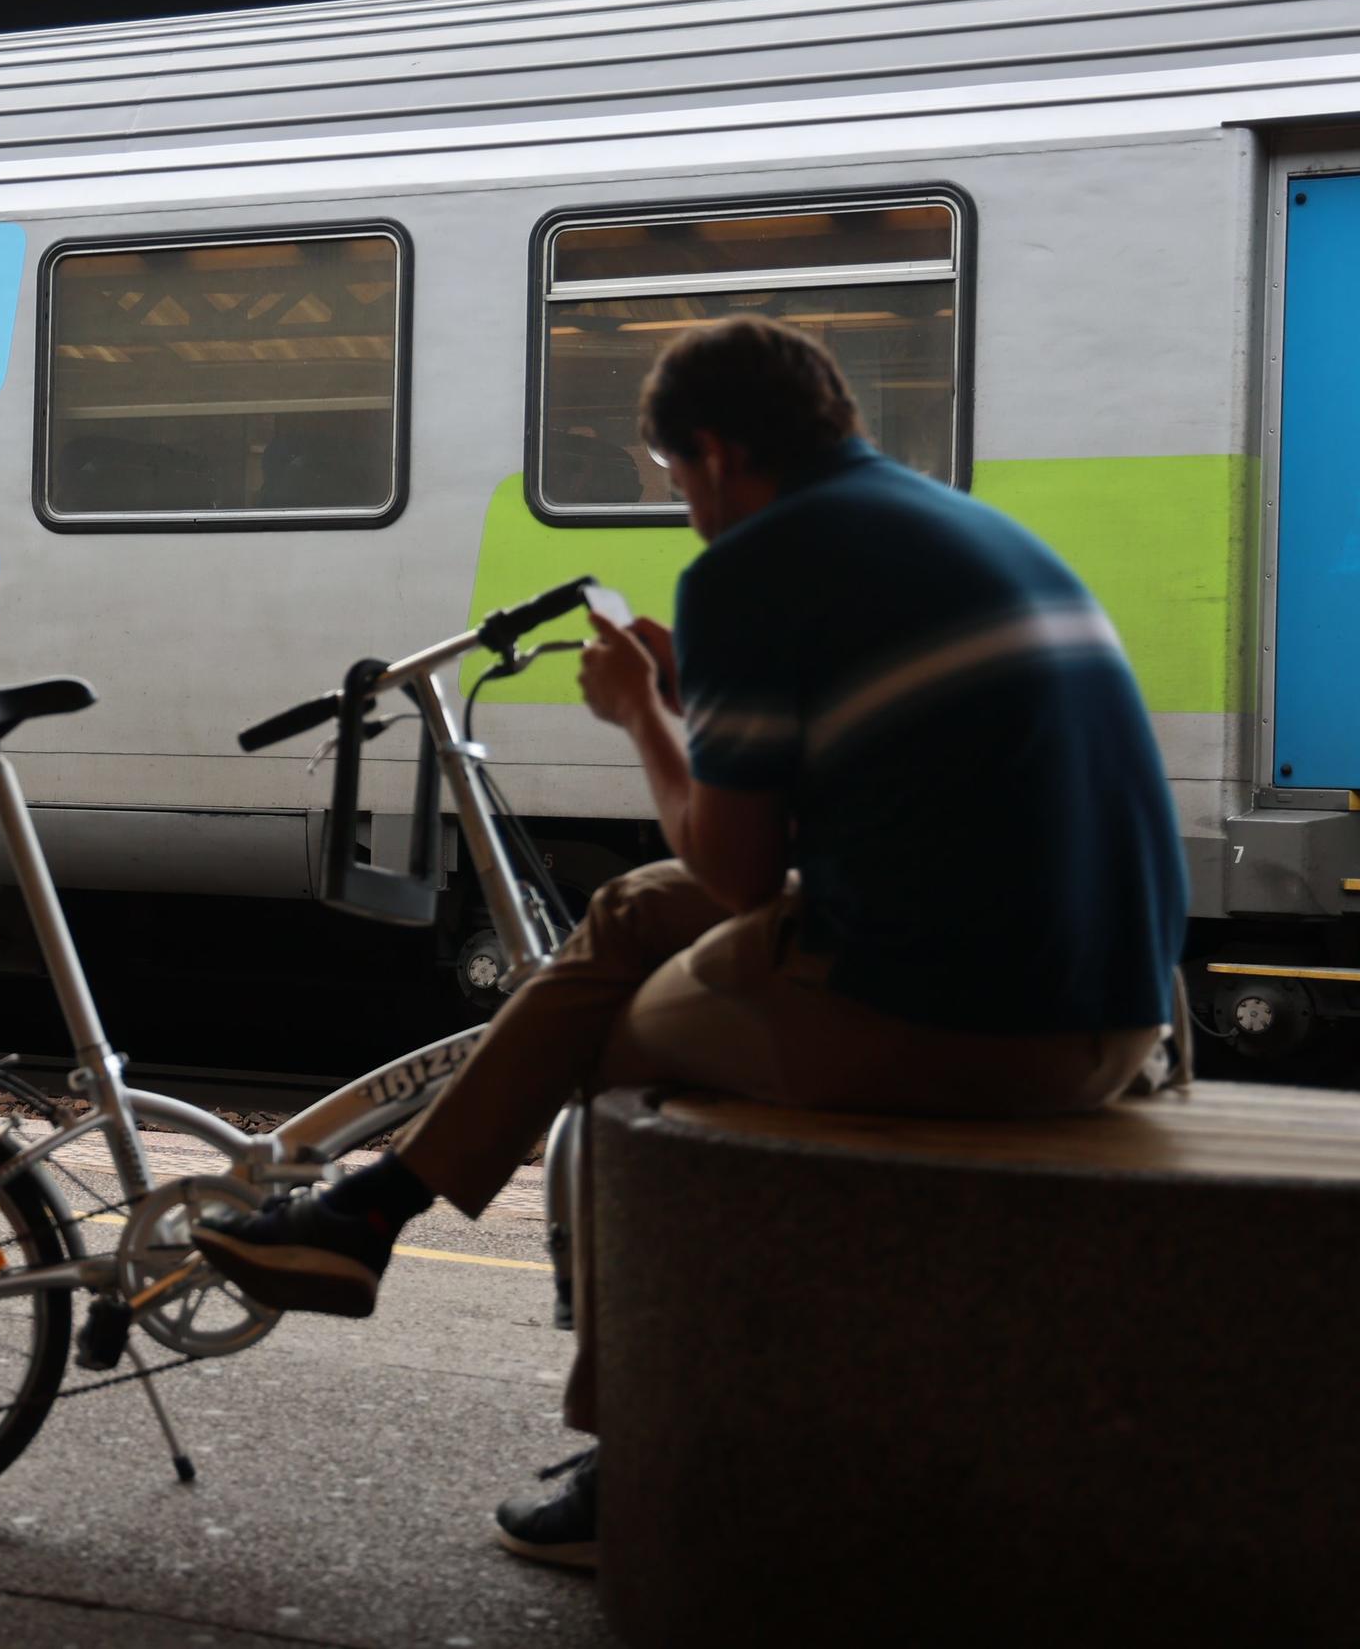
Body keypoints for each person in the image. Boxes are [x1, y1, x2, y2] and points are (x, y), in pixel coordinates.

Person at [195, 316, 1184, 1571]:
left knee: (615, 1033)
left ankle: (637, 1454)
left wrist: (644, 717)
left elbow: (736, 867)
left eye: (669, 482)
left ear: (714, 453)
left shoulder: (757, 563)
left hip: (967, 1031)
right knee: (631, 913)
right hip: (1120, 1010)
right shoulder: (959, 525)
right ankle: (373, 1211)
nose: (680, 512)